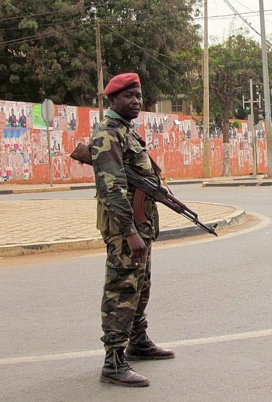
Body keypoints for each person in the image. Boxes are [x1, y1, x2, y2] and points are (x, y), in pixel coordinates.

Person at [91, 72, 174, 388]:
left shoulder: (127, 131)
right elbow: (112, 188)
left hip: (140, 225)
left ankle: (138, 341)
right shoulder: (108, 134)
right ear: (113, 99)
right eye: (129, 96)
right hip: (124, 228)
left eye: (138, 96)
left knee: (141, 285)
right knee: (122, 288)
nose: (136, 101)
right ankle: (113, 361)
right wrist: (129, 231)